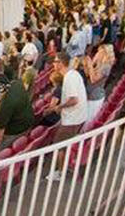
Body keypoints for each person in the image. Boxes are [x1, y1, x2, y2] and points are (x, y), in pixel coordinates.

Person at [46, 52, 87, 181]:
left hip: (72, 118)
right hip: (77, 116)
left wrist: (59, 107)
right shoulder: (74, 73)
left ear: (60, 63)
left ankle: (60, 173)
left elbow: (74, 100)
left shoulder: (69, 77)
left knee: (59, 146)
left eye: (55, 61)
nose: (53, 64)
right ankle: (61, 170)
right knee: (63, 145)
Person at [0, 69, 34, 152]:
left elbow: (0, 130)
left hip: (16, 131)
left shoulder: (4, 105)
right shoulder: (17, 84)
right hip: (28, 123)